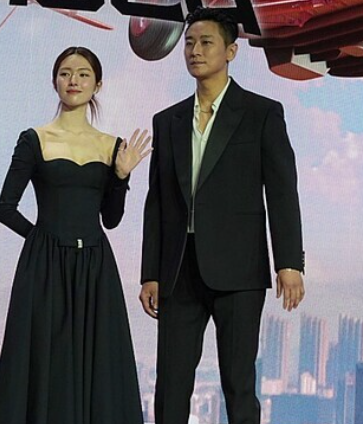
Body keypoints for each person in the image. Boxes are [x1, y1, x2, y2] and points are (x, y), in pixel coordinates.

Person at [139, 7, 305, 424]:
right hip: (178, 270)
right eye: (189, 43)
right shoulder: (168, 121)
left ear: (231, 51)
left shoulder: (262, 113)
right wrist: (150, 273)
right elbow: (157, 202)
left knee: (238, 382)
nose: (195, 50)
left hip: (240, 270)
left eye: (206, 42)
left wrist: (289, 263)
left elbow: (282, 192)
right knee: (171, 384)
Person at [0, 46, 150, 424]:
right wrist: (42, 240)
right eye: (65, 73)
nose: (73, 80)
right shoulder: (34, 139)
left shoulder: (112, 146)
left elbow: (111, 219)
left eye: (82, 74)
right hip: (44, 269)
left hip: (95, 268)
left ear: (98, 85)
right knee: (44, 361)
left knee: (98, 364)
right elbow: (5, 208)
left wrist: (121, 177)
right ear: (54, 82)